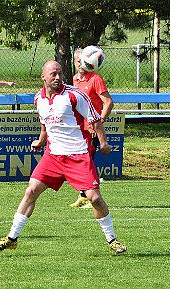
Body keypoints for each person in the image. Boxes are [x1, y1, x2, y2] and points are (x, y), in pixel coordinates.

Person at [0, 60, 126, 254]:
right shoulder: (38, 98)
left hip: (78, 155)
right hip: (53, 156)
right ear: (43, 76)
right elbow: (45, 123)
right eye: (53, 74)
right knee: (31, 191)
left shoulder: (75, 95)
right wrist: (40, 140)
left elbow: (95, 120)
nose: (57, 77)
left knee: (94, 198)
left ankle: (111, 239)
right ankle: (12, 238)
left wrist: (103, 143)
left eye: (60, 73)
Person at [69, 47, 114, 209]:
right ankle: (83, 195)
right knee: (81, 162)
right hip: (77, 129)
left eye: (83, 61)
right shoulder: (74, 80)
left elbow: (108, 102)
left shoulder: (95, 78)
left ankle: (92, 197)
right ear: (75, 62)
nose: (80, 64)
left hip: (92, 129)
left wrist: (99, 121)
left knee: (87, 161)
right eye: (78, 61)